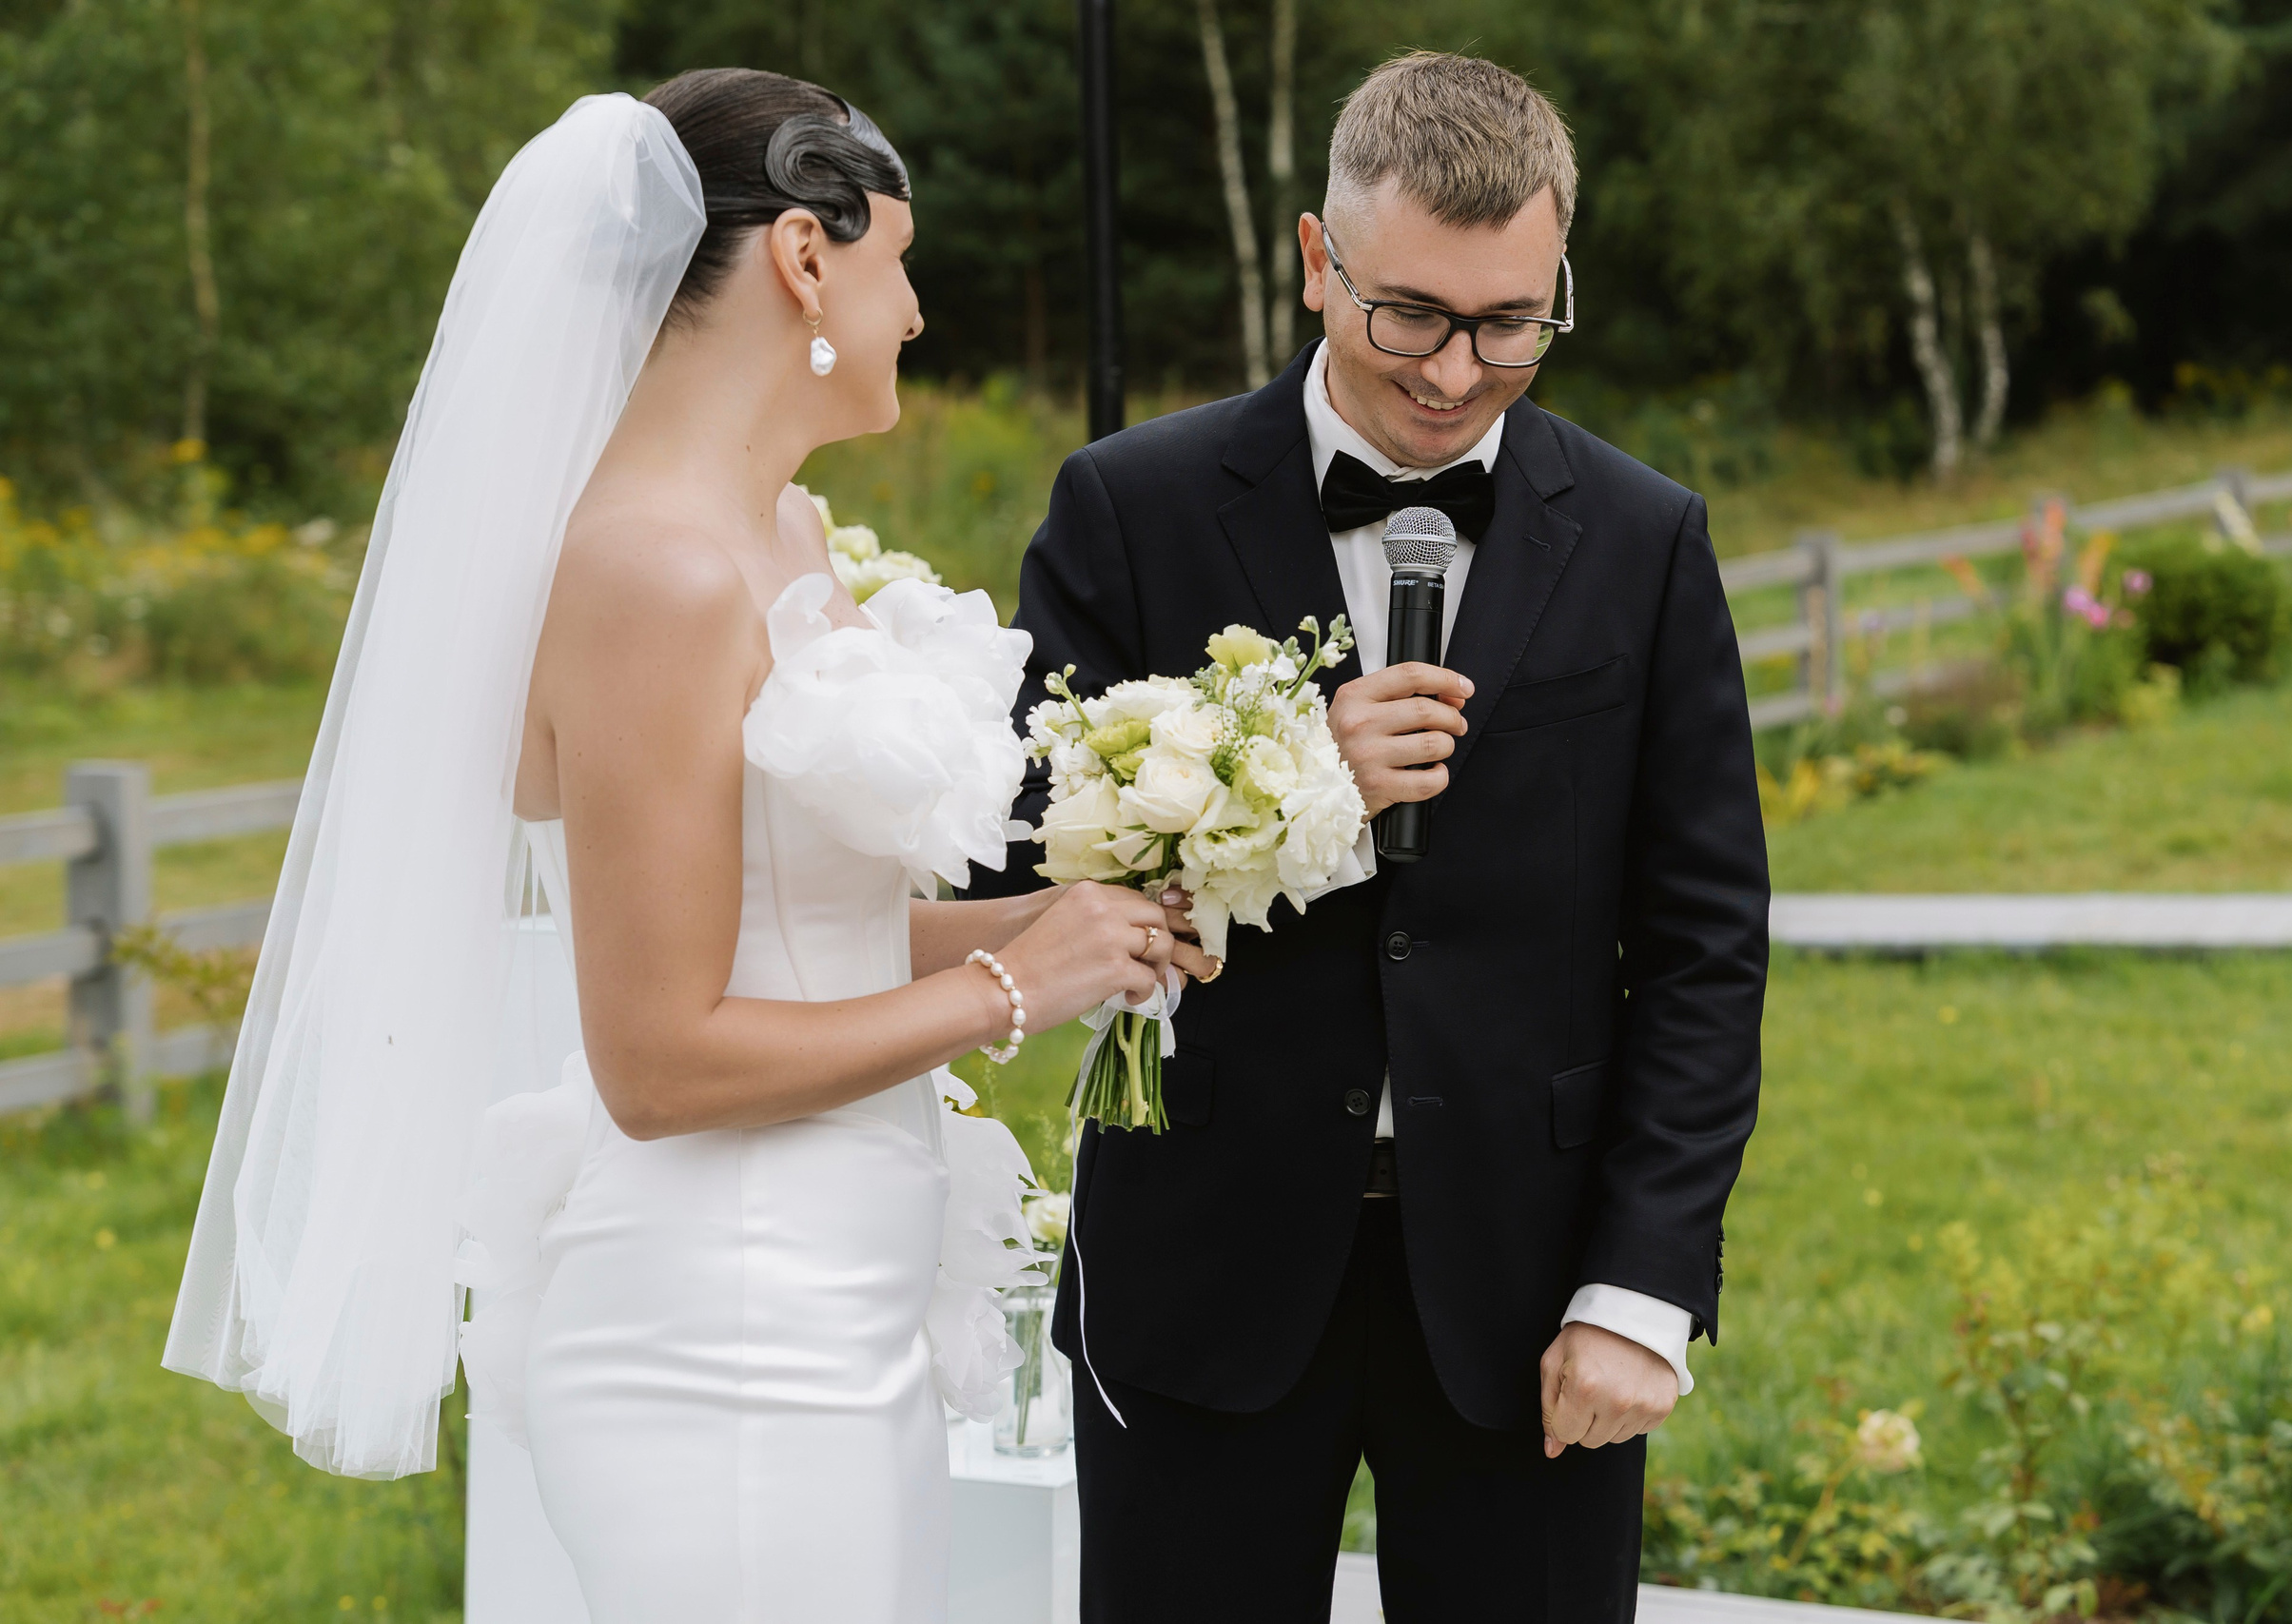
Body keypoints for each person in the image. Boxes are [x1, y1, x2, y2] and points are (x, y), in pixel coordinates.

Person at [165, 70, 1205, 1623]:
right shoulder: (652, 572)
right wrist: (1012, 991)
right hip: (729, 1337)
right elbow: (657, 1061)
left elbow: (798, 938)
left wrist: (1074, 926)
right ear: (804, 257)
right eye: (897, 261)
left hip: (836, 1297)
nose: (915, 311)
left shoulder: (779, 533)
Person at [968, 51, 1770, 1622]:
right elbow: (1015, 869)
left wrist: (1644, 1285)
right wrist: (1292, 779)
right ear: (1316, 258)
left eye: (1509, 323)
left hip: (1532, 1292)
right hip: (1200, 1274)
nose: (1457, 373)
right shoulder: (1128, 506)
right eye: (1410, 314)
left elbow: (1702, 948)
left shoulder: (1643, 535)